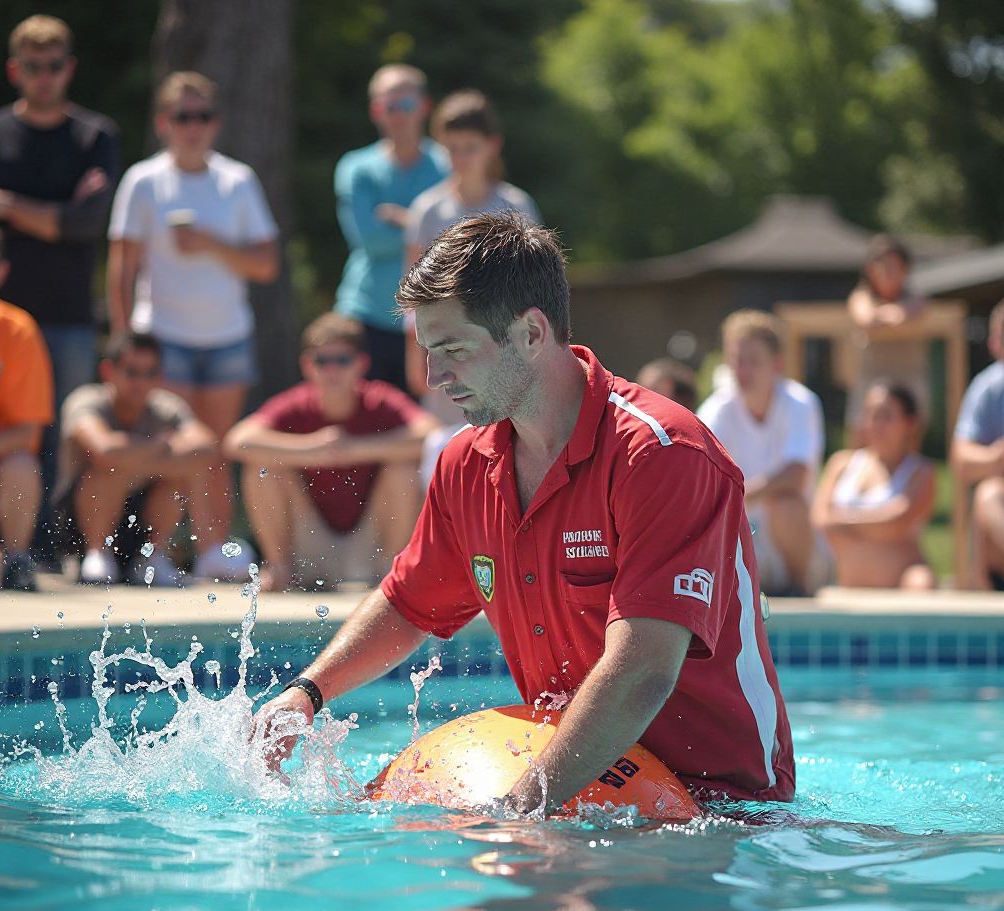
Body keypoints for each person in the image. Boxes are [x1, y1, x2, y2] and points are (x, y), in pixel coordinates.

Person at [252, 213, 794, 813]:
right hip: (574, 786)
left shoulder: (663, 456)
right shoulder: (465, 464)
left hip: (722, 810)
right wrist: (307, 693)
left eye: (453, 349)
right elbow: (409, 604)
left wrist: (520, 809)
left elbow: (642, 670)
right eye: (428, 350)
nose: (434, 377)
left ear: (532, 333)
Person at [107, 71, 279, 580]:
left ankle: (212, 551)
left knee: (217, 452)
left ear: (216, 123)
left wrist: (211, 243)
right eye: (183, 117)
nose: (193, 127)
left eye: (202, 116)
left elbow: (265, 264)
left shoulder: (237, 180)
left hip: (225, 337)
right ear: (164, 123)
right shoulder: (144, 180)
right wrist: (123, 342)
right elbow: (122, 263)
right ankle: (155, 553)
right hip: (164, 338)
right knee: (173, 450)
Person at [0, 15, 121, 562]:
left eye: (55, 66)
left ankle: (48, 545)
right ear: (16, 71)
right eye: (34, 67)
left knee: (61, 435)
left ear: (70, 69)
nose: (45, 77)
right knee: (11, 436)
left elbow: (87, 224)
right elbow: (66, 219)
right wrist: (58, 212)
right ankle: (3, 546)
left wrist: (6, 204)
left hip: (66, 313)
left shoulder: (94, 134)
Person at [224, 313, 438, 592]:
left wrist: (353, 449)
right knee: (263, 470)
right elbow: (237, 441)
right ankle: (279, 566)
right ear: (307, 366)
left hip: (371, 549)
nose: (332, 370)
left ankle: (393, 569)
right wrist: (314, 449)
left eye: (342, 361)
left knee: (404, 471)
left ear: (361, 364)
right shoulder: (297, 403)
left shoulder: (379, 398)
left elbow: (433, 436)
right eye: (322, 361)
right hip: (308, 545)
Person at [403, 89, 541, 482]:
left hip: (503, 349)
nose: (461, 158)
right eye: (452, 148)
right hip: (446, 351)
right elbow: (414, 294)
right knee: (448, 455)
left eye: (470, 147)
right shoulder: (427, 210)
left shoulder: (517, 207)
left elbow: (532, 291)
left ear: (492, 146)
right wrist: (416, 354)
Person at [56, 332, 218, 586]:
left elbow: (206, 447)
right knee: (108, 472)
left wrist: (131, 457)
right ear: (108, 371)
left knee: (175, 478)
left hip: (139, 524)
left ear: (160, 376)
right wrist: (160, 447)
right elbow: (104, 450)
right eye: (132, 372)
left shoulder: (166, 406)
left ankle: (152, 558)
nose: (141, 382)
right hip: (79, 529)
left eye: (150, 373)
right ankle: (96, 553)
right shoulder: (87, 400)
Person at [334, 64, 448, 392]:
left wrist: (405, 219)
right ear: (376, 111)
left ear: (424, 106)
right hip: (367, 314)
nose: (398, 115)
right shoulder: (356, 168)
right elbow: (368, 240)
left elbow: (456, 239)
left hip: (432, 315)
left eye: (406, 105)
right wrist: (424, 226)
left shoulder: (446, 163)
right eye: (389, 106)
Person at [697, 310, 826, 597]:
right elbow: (698, 476)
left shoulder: (800, 403)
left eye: (753, 361)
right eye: (736, 360)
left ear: (777, 364)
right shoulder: (716, 410)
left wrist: (739, 496)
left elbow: (796, 475)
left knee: (786, 503)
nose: (742, 371)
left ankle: (798, 587)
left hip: (792, 543)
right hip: (737, 537)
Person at [0, 217, 54, 590]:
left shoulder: (18, 330)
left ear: (1, 272)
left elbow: (27, 433)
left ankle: (15, 559)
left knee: (22, 466)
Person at [812, 381, 935, 589]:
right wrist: (877, 524)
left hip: (904, 582)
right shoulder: (841, 464)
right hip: (847, 584)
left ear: (909, 423)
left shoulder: (921, 472)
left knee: (922, 584)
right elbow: (820, 520)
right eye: (870, 415)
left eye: (886, 416)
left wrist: (842, 522)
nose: (876, 424)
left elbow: (898, 521)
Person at [846, 235, 928, 442]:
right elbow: (865, 316)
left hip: (908, 380)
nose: (887, 272)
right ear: (870, 270)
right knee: (860, 440)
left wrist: (888, 316)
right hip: (870, 379)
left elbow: (910, 311)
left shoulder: (915, 296)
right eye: (881, 266)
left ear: (905, 269)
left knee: (909, 442)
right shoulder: (861, 296)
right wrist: (892, 314)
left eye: (893, 266)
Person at [951, 299, 1004, 591]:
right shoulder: (988, 388)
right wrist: (996, 457)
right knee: (988, 495)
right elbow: (961, 459)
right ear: (995, 343)